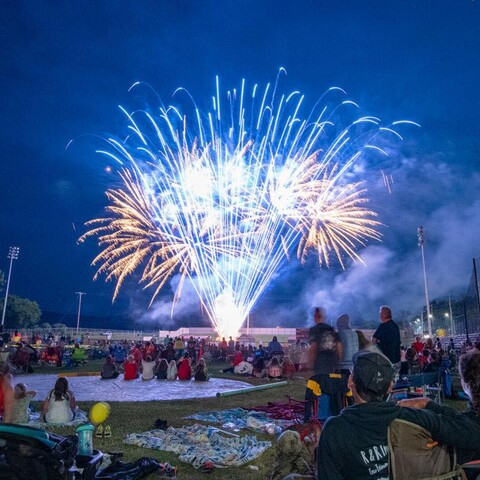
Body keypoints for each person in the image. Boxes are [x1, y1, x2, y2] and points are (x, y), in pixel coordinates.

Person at [317, 350, 480, 480]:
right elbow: (472, 433)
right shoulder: (413, 418)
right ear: (390, 387)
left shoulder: (333, 430)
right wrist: (428, 403)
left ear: (350, 382)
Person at [308, 307, 342, 374]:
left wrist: (310, 366)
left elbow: (313, 348)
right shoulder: (332, 329)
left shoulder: (314, 330)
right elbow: (339, 347)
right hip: (332, 363)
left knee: (321, 382)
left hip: (320, 363)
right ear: (324, 317)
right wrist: (338, 362)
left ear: (315, 317)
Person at [372, 305, 401, 369]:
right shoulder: (395, 326)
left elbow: (373, 341)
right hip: (396, 360)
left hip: (386, 361)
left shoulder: (383, 326)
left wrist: (378, 341)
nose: (379, 316)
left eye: (380, 314)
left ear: (383, 315)